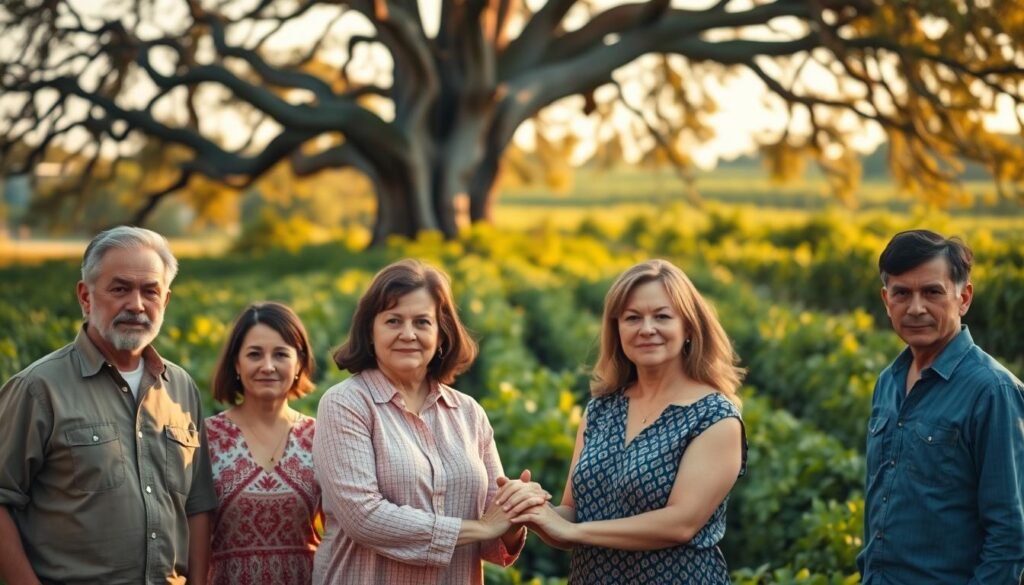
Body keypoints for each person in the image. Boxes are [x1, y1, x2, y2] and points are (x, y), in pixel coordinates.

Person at [498, 259, 747, 584]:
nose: (647, 329)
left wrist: (574, 530)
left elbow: (681, 524)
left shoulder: (714, 417)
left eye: (662, 316)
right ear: (617, 329)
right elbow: (570, 517)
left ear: (688, 327)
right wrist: (530, 510)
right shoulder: (601, 409)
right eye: (632, 318)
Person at [0, 226, 217, 584]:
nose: (136, 305)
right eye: (120, 289)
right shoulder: (37, 389)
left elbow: (197, 504)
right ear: (86, 296)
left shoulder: (180, 388)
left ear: (165, 301)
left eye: (150, 291)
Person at [311, 259, 547, 585]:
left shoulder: (469, 413)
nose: (408, 334)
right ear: (370, 330)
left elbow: (492, 538)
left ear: (441, 333)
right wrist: (479, 527)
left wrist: (515, 514)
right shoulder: (345, 404)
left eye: (422, 322)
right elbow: (363, 517)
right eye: (393, 321)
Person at [857, 230, 1024, 584]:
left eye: (932, 292)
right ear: (886, 300)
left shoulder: (992, 391)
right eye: (902, 293)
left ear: (963, 298)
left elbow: (1009, 535)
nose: (916, 308)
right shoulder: (888, 381)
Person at [205, 302, 321, 584]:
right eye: (255, 354)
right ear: (236, 363)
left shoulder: (320, 437)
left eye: (281, 354)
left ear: (299, 364)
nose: (268, 366)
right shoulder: (206, 438)